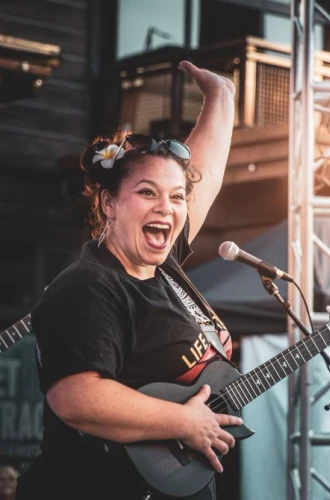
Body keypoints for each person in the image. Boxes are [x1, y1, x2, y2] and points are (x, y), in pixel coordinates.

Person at [15, 61, 242, 500]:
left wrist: (222, 96)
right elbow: (77, 398)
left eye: (176, 197)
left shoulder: (164, 265)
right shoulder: (89, 287)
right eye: (146, 192)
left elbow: (205, 177)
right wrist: (184, 422)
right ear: (109, 203)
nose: (167, 207)